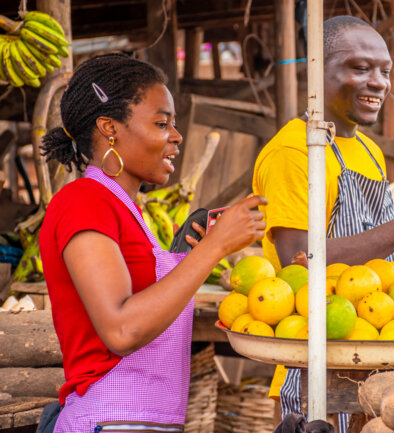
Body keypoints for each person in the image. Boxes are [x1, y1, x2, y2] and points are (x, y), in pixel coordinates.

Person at [252, 15, 394, 431]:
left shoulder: (369, 150)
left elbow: (376, 257)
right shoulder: (294, 152)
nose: (379, 82)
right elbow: (296, 263)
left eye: (385, 71)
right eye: (359, 68)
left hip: (378, 354)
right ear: (317, 72)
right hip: (318, 362)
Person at [38, 53, 266, 432]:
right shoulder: (83, 201)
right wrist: (214, 249)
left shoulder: (129, 212)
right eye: (162, 123)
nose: (176, 136)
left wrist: (191, 256)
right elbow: (121, 330)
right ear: (109, 128)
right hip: (109, 418)